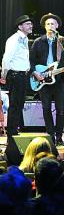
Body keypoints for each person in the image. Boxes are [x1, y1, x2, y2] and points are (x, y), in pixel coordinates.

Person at [30, 13, 64, 145]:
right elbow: (31, 60)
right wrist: (35, 72)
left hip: (59, 80)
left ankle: (59, 135)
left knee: (61, 110)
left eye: (52, 24)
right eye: (48, 24)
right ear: (45, 27)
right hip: (43, 80)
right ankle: (50, 134)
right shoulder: (38, 42)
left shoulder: (61, 41)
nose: (50, 26)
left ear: (57, 26)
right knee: (46, 108)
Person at [1, 15, 33, 137]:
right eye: (28, 24)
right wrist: (4, 75)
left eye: (31, 24)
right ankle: (12, 133)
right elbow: (6, 59)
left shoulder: (24, 39)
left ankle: (14, 129)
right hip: (15, 75)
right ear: (20, 26)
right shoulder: (14, 39)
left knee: (19, 103)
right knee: (15, 104)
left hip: (22, 75)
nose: (31, 26)